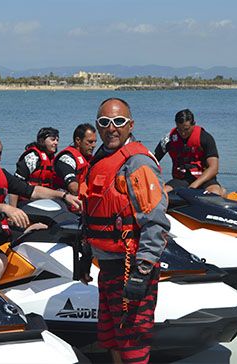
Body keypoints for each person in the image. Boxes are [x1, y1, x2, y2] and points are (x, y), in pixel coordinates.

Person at [80, 98, 170, 364]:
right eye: (104, 122)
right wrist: (87, 255)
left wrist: (142, 274)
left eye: (119, 122)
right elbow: (93, 211)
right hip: (107, 267)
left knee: (133, 343)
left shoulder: (138, 163)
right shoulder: (102, 159)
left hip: (131, 269)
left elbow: (156, 222)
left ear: (130, 125)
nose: (112, 128)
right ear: (97, 126)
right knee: (111, 339)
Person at [0, 133, 81, 288]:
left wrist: (63, 196)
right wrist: (6, 208)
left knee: (40, 231)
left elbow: (31, 191)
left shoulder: (0, 174)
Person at [154, 109, 224, 195]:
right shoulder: (169, 139)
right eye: (179, 129)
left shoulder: (206, 138)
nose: (183, 133)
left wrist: (194, 185)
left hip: (204, 178)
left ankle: (222, 191)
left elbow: (214, 168)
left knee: (215, 193)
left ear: (193, 124)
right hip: (181, 179)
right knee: (161, 194)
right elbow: (153, 161)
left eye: (186, 129)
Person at [9, 127, 59, 207]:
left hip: (47, 201)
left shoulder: (52, 159)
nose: (56, 143)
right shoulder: (32, 157)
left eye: (57, 140)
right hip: (27, 202)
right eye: (52, 140)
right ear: (42, 141)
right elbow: (15, 185)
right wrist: (12, 210)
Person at [54, 123, 97, 196]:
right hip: (62, 201)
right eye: (90, 142)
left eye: (95, 142)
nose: (94, 145)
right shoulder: (66, 159)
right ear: (78, 141)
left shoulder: (90, 160)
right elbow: (73, 188)